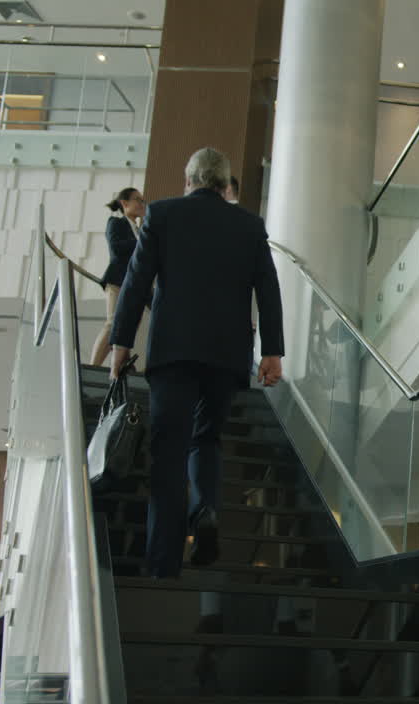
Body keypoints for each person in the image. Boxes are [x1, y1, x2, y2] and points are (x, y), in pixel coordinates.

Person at [110, 147, 285, 579]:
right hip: (227, 356)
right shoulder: (249, 225)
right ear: (226, 187)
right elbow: (269, 287)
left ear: (188, 181)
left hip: (174, 351)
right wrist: (272, 352)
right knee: (207, 439)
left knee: (167, 452)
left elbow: (135, 281)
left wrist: (120, 343)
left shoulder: (163, 215)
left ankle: (163, 561)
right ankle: (205, 509)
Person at [91, 187, 147, 366]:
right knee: (113, 323)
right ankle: (93, 367)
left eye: (142, 200)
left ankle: (119, 370)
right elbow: (116, 248)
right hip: (117, 280)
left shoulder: (139, 230)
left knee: (126, 328)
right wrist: (141, 242)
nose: (141, 203)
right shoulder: (116, 222)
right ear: (124, 203)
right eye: (137, 199)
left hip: (134, 285)